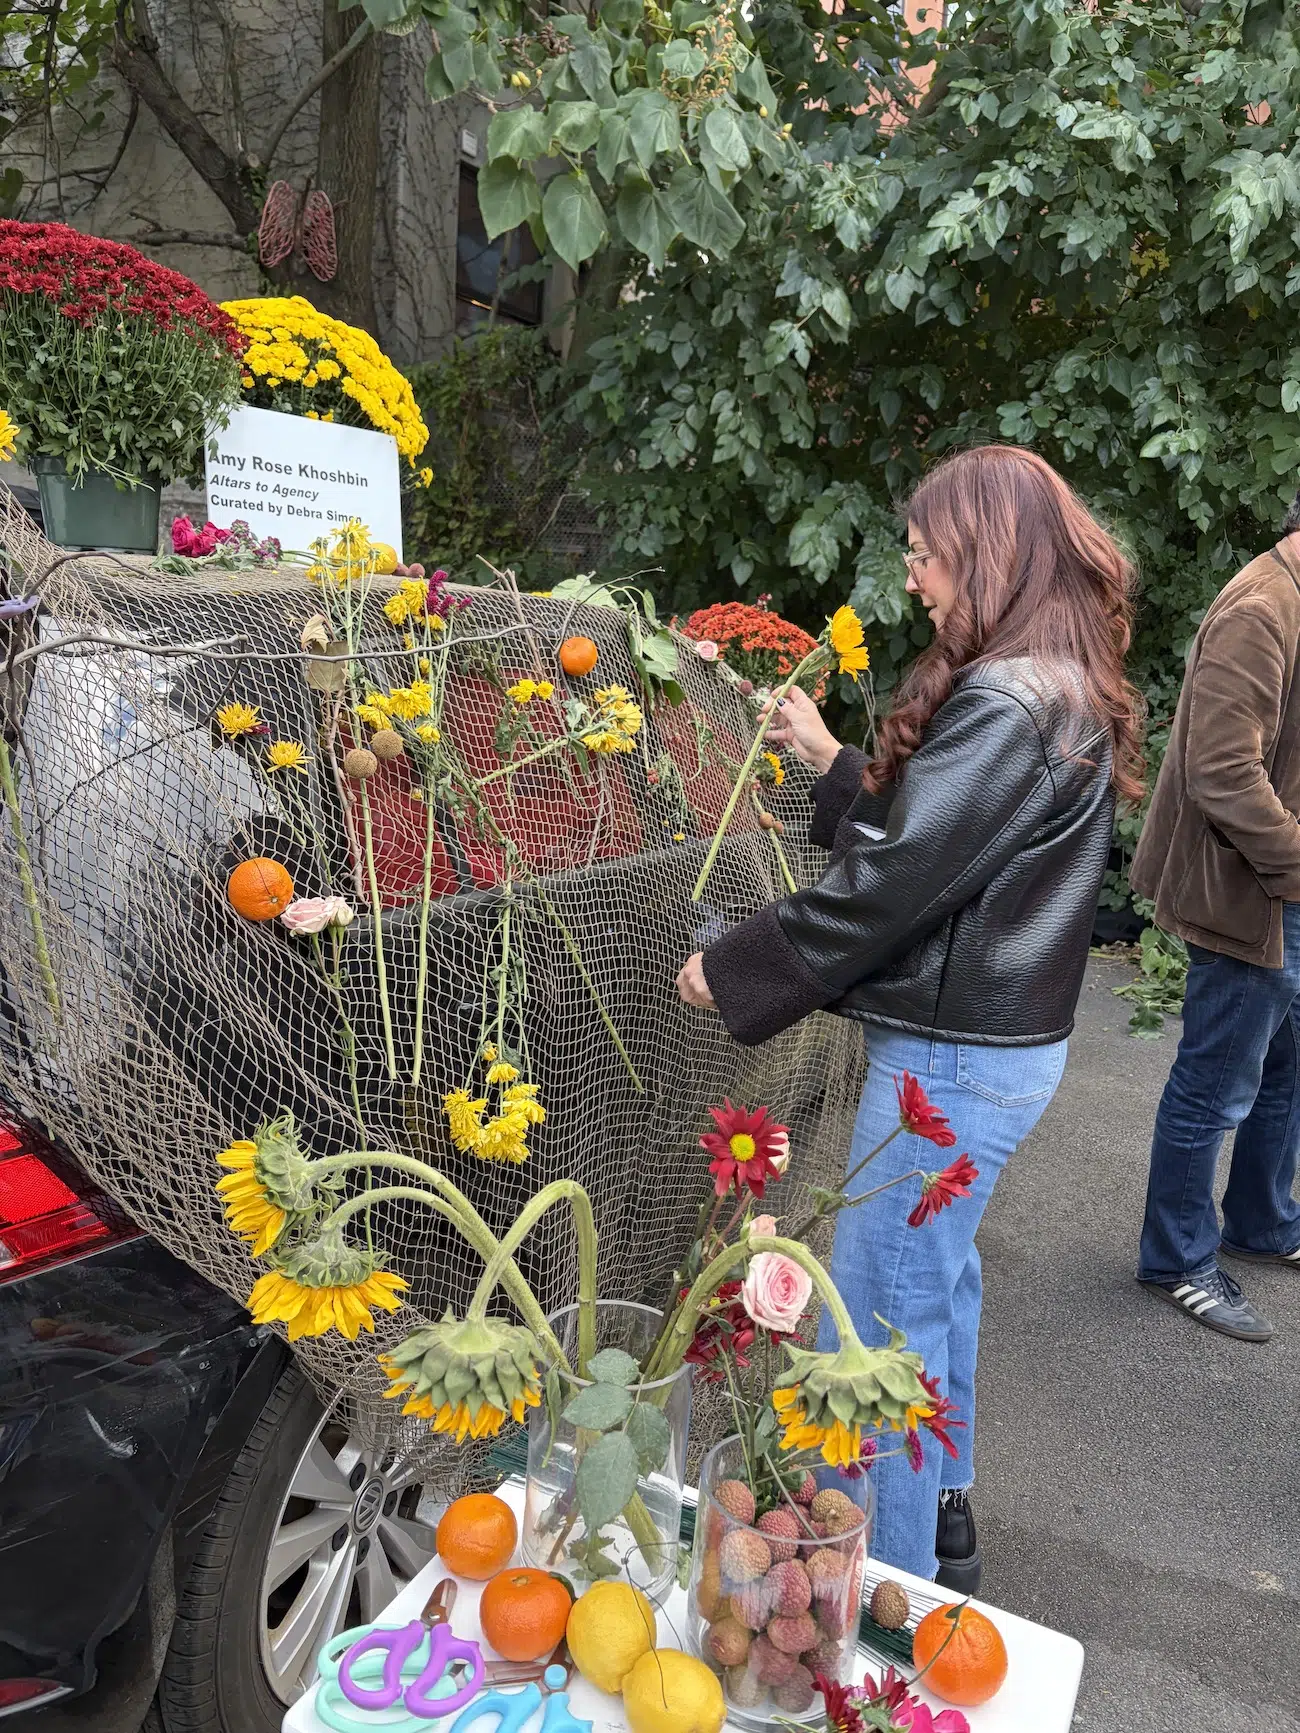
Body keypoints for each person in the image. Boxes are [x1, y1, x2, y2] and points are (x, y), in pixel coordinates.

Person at [675, 444, 1143, 1590]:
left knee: (868, 1333)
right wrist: (837, 764)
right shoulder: (1055, 680)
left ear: (985, 554)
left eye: (927, 555)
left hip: (953, 1063)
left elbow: (894, 890)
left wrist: (734, 969)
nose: (915, 578)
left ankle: (870, 1603)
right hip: (999, 1055)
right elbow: (950, 851)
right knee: (936, 1286)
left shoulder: (1008, 696)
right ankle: (937, 1518)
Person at [1130, 490, 1300, 1344]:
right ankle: (1177, 1258)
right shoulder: (1262, 607)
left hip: (1283, 885)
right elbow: (1225, 776)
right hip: (1251, 891)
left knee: (1286, 1066)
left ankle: (1264, 1223)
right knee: (1217, 1080)